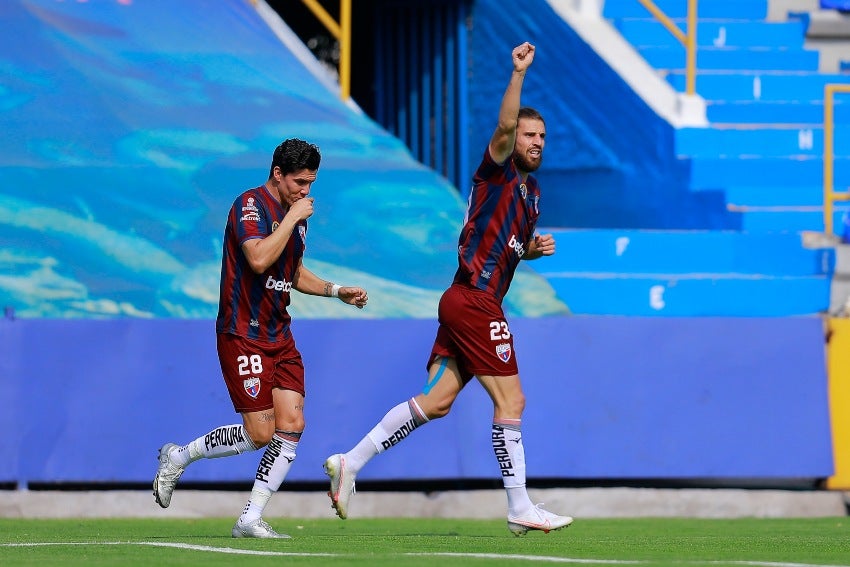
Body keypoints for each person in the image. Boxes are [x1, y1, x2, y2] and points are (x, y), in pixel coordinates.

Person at [323, 42, 573, 536]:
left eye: (542, 135)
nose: (536, 142)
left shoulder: (531, 192)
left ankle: (350, 462)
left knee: (435, 403)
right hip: (475, 302)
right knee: (512, 403)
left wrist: (529, 250)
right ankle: (520, 506)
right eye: (529, 134)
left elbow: (502, 245)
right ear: (513, 139)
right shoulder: (495, 170)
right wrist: (517, 74)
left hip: (464, 301)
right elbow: (502, 129)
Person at [153, 138, 369, 539]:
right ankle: (178, 457)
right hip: (242, 333)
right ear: (277, 174)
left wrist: (337, 290)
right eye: (300, 182)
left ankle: (250, 518)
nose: (306, 191)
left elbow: (293, 271)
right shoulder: (249, 206)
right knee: (260, 434)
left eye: (311, 183)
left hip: (279, 333)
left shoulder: (296, 216)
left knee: (293, 424)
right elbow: (257, 258)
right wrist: (291, 219)